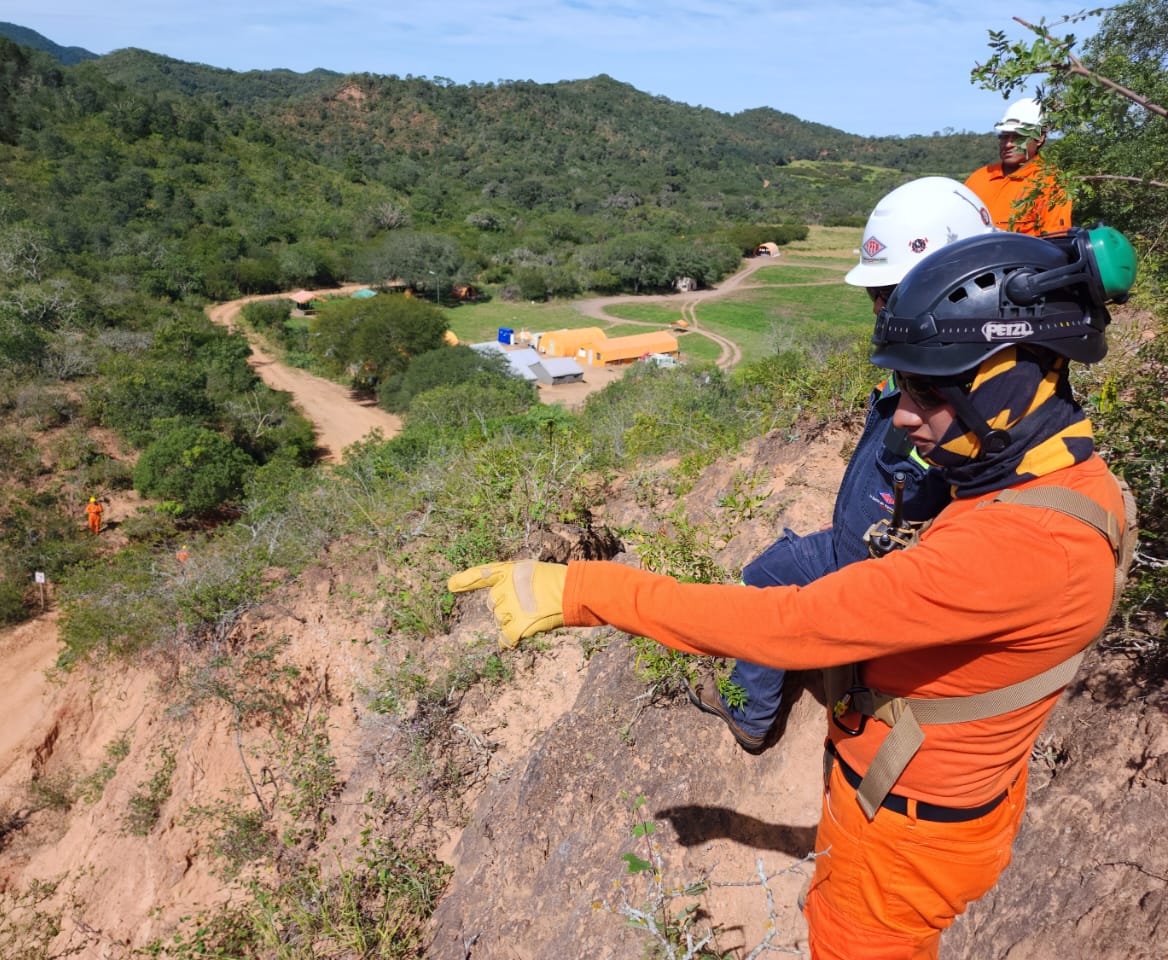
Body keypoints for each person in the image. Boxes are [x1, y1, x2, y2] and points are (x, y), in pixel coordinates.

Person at [448, 224, 1137, 959]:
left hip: (902, 838)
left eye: (927, 391)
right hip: (922, 805)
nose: (902, 416)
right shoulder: (1063, 479)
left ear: (1011, 383)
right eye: (903, 386)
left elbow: (790, 625)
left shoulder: (1024, 548)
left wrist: (585, 589)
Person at [685, 176, 996, 753]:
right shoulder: (933, 364)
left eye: (892, 292)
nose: (880, 309)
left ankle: (751, 713)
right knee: (770, 568)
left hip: (877, 578)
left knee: (765, 585)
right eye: (875, 294)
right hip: (858, 543)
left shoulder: (978, 394)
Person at [964, 97, 1072, 235]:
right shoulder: (979, 178)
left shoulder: (1051, 183)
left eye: (1018, 137)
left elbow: (1055, 242)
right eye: (1004, 137)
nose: (1008, 144)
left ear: (1039, 138)